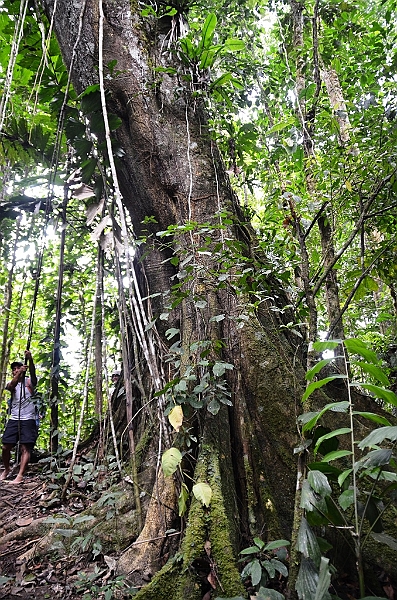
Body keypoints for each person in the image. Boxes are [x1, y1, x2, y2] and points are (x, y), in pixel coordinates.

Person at [0, 350, 38, 484]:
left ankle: (20, 475)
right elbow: (12, 385)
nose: (16, 371)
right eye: (14, 369)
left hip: (28, 419)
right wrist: (19, 373)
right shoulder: (12, 384)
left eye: (18, 368)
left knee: (25, 448)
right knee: (6, 447)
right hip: (14, 418)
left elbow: (33, 374)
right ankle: (6, 469)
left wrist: (30, 360)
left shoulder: (29, 382)